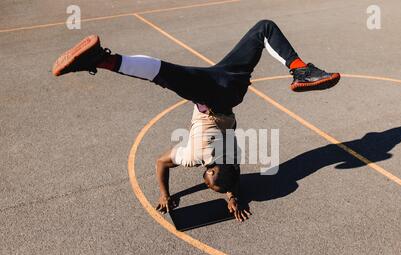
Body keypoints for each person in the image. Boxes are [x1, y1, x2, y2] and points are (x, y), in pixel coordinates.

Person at [52, 19, 340, 222]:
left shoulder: (232, 158)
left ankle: (301, 69)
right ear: (212, 169)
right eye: (209, 182)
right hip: (214, 94)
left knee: (264, 28)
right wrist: (166, 194)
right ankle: (102, 60)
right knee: (167, 75)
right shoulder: (195, 156)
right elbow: (161, 162)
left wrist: (230, 196)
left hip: (231, 85)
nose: (204, 182)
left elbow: (232, 178)